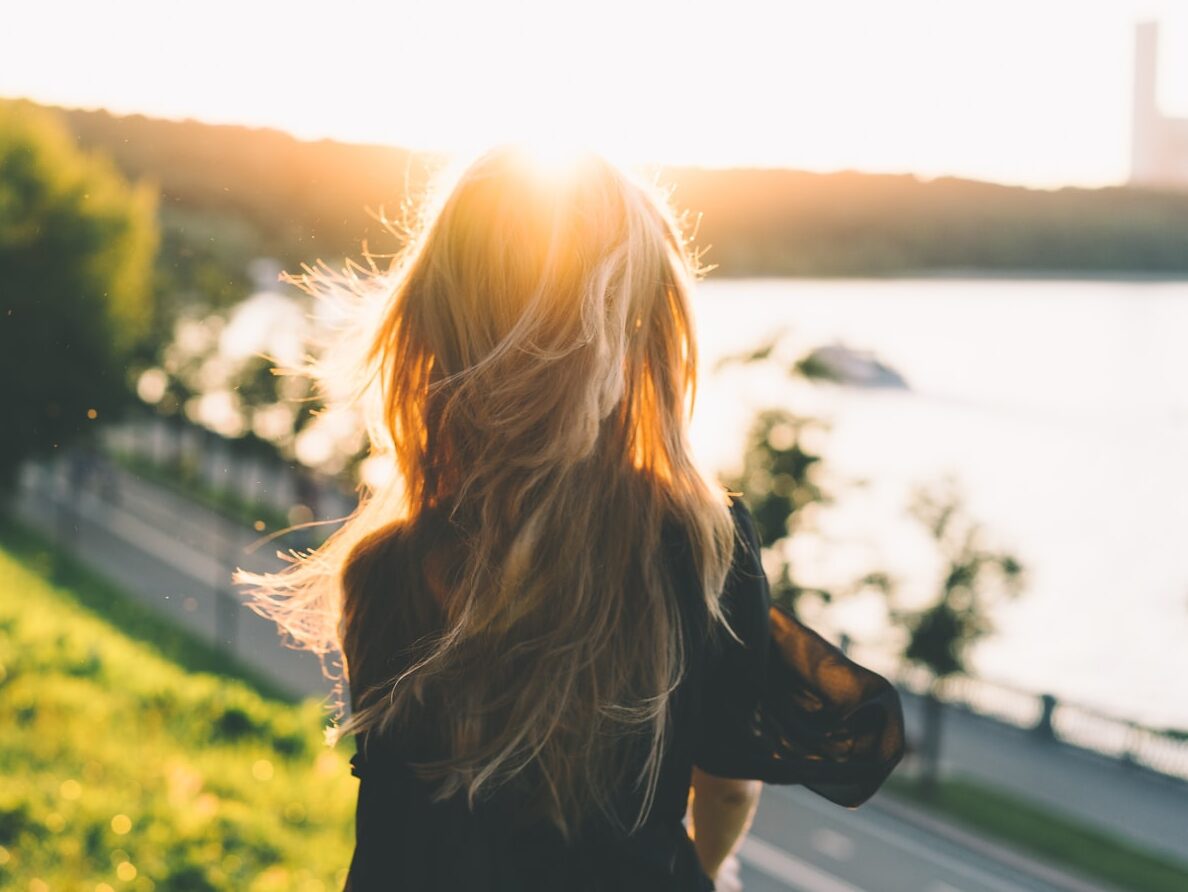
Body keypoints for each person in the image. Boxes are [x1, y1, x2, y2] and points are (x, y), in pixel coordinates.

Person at [235, 145, 900, 891]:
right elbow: (729, 782)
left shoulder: (379, 569)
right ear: (642, 339)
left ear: (433, 323)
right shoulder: (699, 550)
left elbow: (409, 820)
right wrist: (709, 869)